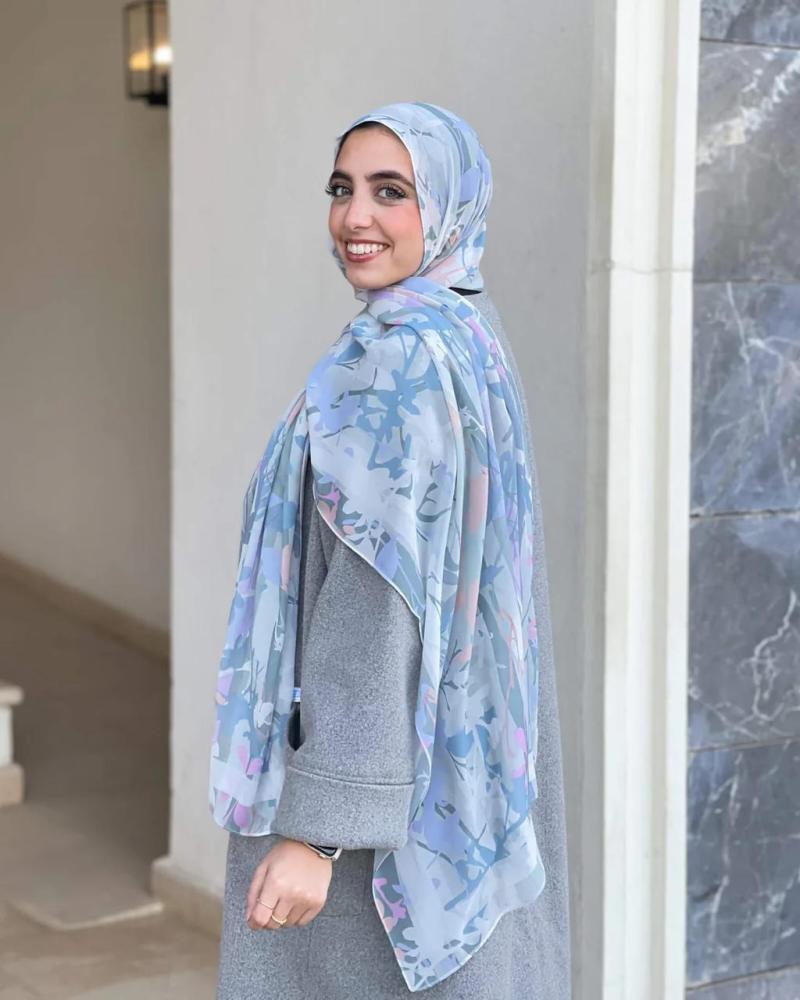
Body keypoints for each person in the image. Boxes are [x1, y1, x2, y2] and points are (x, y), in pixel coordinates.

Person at [210, 101, 571, 998]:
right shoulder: (467, 333)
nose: (355, 217)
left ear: (444, 206)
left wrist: (319, 830)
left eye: (391, 192)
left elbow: (375, 605)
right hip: (461, 770)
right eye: (342, 190)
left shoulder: (392, 361)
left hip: (378, 805)